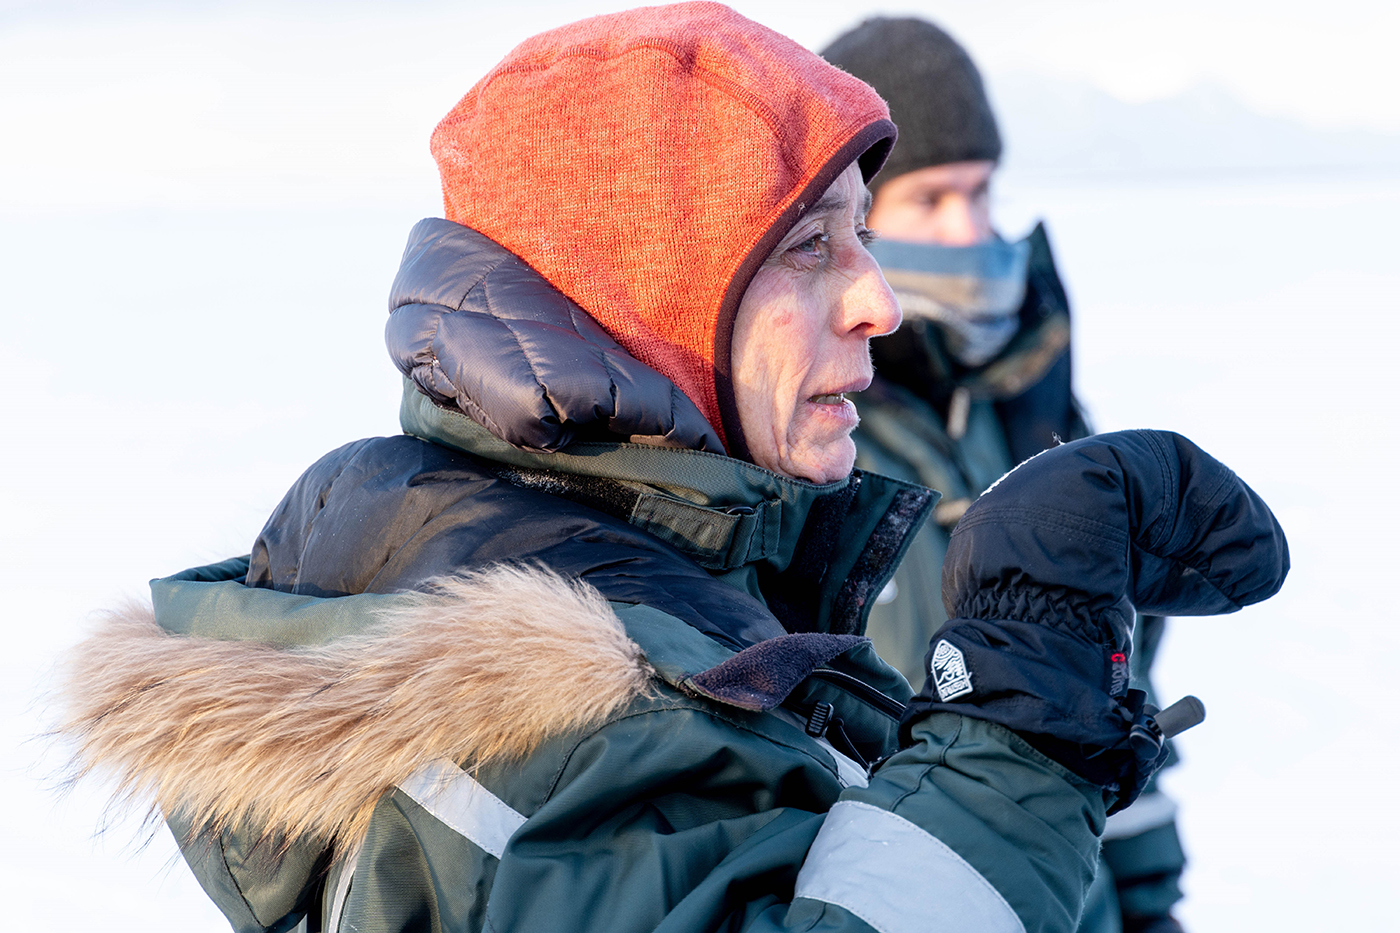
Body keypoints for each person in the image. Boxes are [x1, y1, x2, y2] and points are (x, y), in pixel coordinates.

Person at [55, 6, 1287, 933]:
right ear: (644, 294)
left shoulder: (636, 584)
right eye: (813, 245)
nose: (878, 299)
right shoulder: (554, 716)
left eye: (867, 232)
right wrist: (1028, 691)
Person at [822, 18, 1191, 933]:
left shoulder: (1036, 414)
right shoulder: (814, 441)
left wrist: (1145, 900)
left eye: (982, 193)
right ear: (848, 220)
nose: (972, 231)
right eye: (932, 199)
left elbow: (1115, 699)